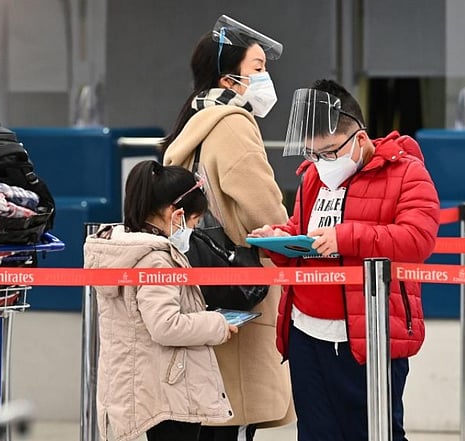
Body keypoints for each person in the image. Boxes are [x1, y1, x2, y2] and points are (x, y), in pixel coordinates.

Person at [249, 79, 440, 441]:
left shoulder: (406, 173)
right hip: (306, 334)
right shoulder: (313, 178)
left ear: (361, 140)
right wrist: (278, 240)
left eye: (331, 152)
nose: (322, 163)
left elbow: (418, 239)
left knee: (374, 432)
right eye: (313, 154)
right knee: (315, 433)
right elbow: (303, 231)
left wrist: (346, 236)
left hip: (369, 336)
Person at [161, 15, 295, 441]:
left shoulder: (194, 122)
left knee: (210, 413)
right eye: (258, 68)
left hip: (202, 278)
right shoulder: (232, 123)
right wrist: (287, 231)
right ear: (228, 77)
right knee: (236, 412)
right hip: (242, 277)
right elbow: (263, 207)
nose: (265, 76)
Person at [83, 160, 237, 441]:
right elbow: (165, 325)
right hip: (167, 388)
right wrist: (216, 324)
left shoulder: (124, 250)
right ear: (175, 214)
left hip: (142, 381)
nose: (193, 229)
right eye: (194, 221)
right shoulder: (156, 260)